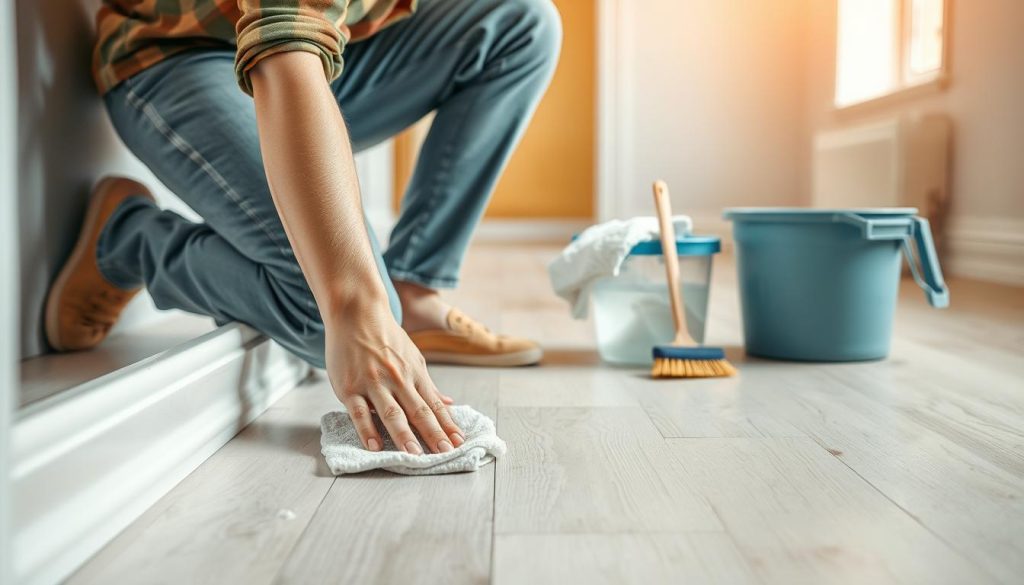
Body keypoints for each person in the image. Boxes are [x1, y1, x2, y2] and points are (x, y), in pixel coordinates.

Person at [45, 0, 561, 456]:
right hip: (178, 54)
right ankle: (128, 240)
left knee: (522, 24)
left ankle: (414, 284)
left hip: (325, 52)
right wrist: (357, 308)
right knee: (328, 316)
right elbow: (281, 40)